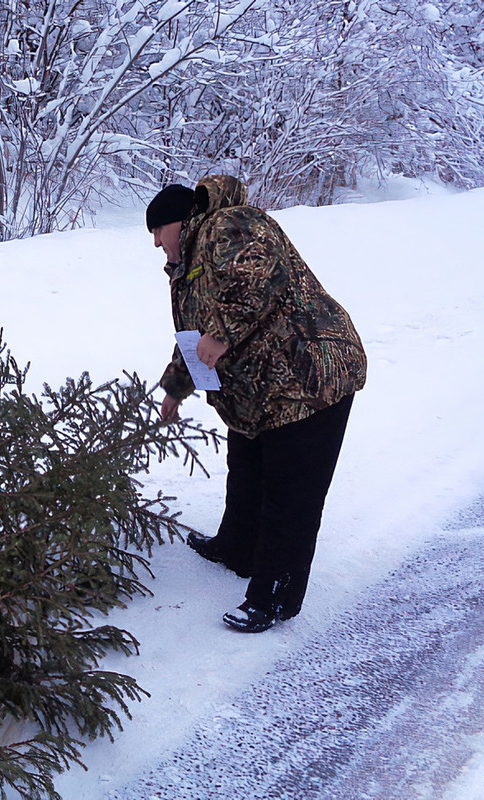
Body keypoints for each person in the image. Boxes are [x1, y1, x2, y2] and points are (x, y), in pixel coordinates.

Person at [148, 176, 366, 633]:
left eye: (157, 231)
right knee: (246, 465)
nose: (154, 243)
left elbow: (259, 277)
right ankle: (238, 548)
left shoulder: (231, 224)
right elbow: (197, 337)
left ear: (176, 222)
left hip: (311, 376)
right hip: (262, 389)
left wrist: (221, 331)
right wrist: (175, 388)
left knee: (291, 494)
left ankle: (275, 596)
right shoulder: (189, 268)